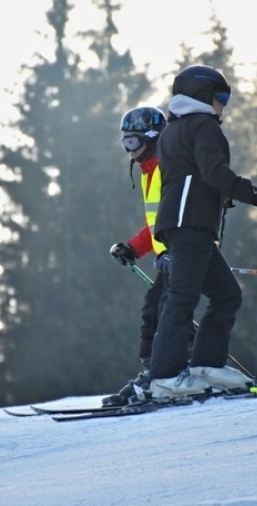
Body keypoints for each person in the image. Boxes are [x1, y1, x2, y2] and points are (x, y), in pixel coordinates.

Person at [147, 64, 257, 400]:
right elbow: (213, 172)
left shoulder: (173, 130)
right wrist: (256, 195)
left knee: (226, 294)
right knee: (183, 298)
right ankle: (164, 377)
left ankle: (205, 365)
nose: (224, 105)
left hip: (187, 224)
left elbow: (194, 174)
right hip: (189, 223)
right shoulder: (203, 126)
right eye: (221, 96)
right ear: (201, 96)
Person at [107, 106, 169, 406]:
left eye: (132, 142)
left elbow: (177, 217)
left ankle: (166, 372)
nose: (128, 151)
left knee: (162, 310)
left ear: (151, 137)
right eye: (124, 144)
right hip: (169, 254)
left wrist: (171, 248)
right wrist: (133, 248)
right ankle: (155, 371)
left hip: (182, 252)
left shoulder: (165, 167)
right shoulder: (149, 171)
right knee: (155, 309)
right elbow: (155, 225)